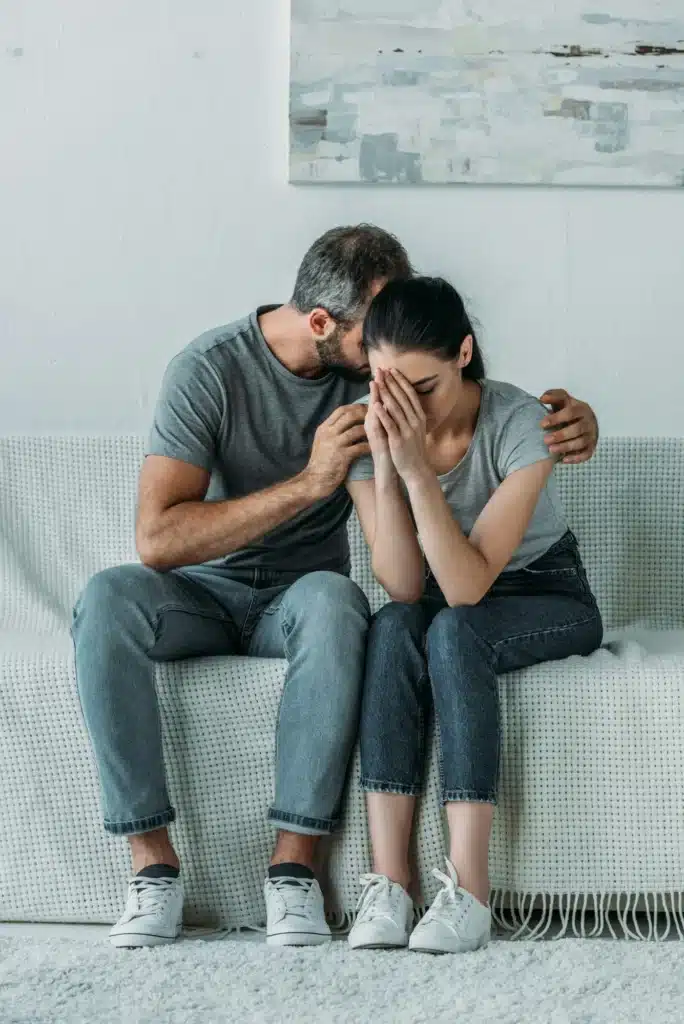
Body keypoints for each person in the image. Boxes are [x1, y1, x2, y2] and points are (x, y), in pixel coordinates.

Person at [71, 227, 599, 950]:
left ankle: (304, 871)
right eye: (375, 334)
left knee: (353, 606)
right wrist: (322, 479)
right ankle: (159, 868)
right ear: (327, 326)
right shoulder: (221, 373)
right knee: (110, 599)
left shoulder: (389, 382)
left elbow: (483, 405)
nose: (389, 356)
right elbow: (158, 541)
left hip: (335, 595)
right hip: (204, 592)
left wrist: (576, 421)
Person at [345, 276, 603, 955]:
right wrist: (384, 459)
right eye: (385, 389)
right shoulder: (371, 435)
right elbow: (404, 586)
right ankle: (392, 885)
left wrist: (418, 472)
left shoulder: (521, 424)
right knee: (393, 626)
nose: (407, 412)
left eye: (421, 390)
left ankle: (470, 892)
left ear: (464, 353)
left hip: (544, 592)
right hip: (437, 598)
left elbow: (466, 588)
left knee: (454, 630)